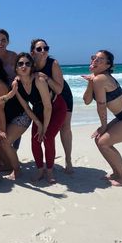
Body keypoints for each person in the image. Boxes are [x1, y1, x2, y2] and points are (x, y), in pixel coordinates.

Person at [82, 50, 122, 187]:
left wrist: (103, 126)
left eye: (100, 59)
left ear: (108, 65)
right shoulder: (97, 78)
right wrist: (90, 81)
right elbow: (86, 100)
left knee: (104, 142)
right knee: (99, 140)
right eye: (94, 58)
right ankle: (117, 173)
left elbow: (101, 106)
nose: (95, 61)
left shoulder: (101, 78)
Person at [14, 52, 67, 183]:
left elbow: (48, 107)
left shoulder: (39, 80)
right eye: (20, 64)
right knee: (35, 140)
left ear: (32, 67)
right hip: (38, 110)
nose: (24, 66)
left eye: (27, 63)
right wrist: (38, 123)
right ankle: (39, 169)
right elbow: (26, 108)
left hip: (56, 108)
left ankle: (49, 171)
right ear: (16, 68)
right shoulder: (16, 85)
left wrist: (45, 127)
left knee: (47, 137)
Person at [30, 39, 74, 173]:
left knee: (65, 127)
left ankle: (68, 159)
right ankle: (47, 163)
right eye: (39, 49)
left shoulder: (53, 63)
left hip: (63, 97)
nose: (43, 51)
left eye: (46, 48)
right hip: (44, 101)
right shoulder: (30, 65)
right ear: (32, 52)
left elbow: (59, 89)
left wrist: (46, 78)